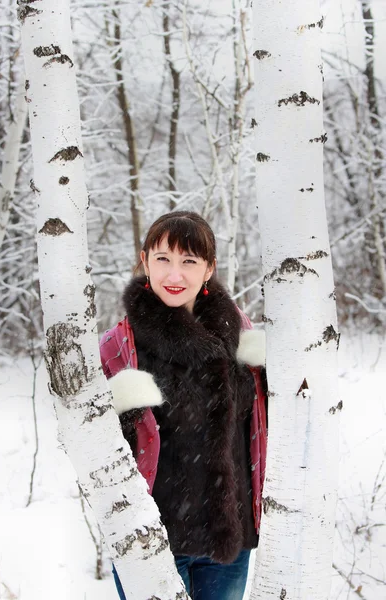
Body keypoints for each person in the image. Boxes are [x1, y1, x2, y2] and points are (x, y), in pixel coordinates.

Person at [99, 211, 267, 600]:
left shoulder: (243, 337)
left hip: (228, 537)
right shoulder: (119, 346)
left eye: (189, 261)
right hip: (152, 540)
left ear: (209, 268)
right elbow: (96, 452)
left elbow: (259, 433)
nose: (174, 276)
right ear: (145, 262)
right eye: (163, 259)